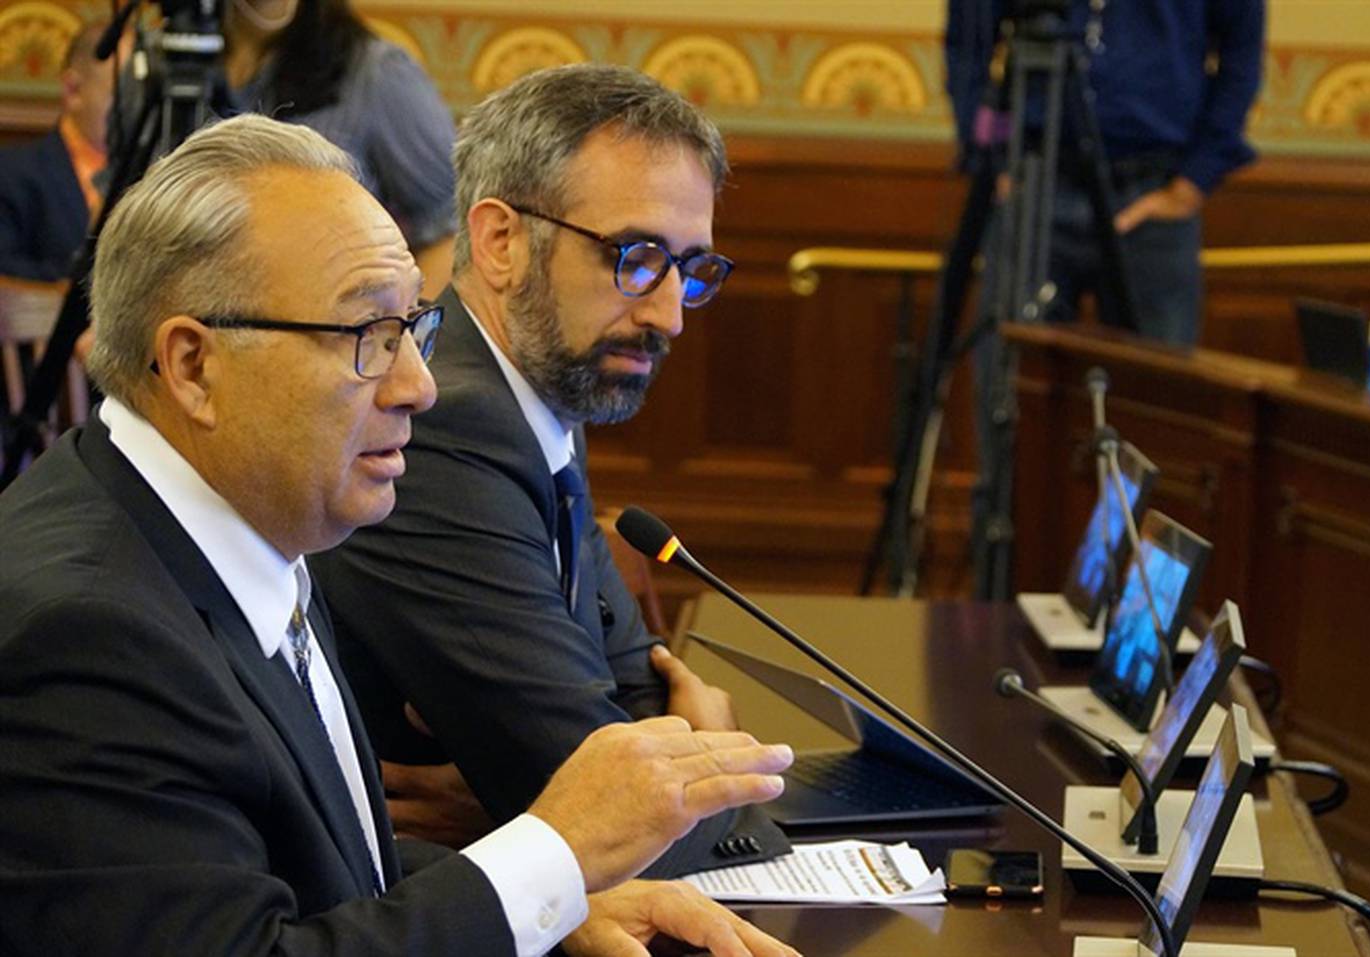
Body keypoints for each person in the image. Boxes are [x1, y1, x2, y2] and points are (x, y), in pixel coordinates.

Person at [0, 113, 799, 957]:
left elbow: (295, 876)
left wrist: (558, 903)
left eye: (413, 329)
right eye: (369, 338)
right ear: (195, 366)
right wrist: (552, 854)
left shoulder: (237, 524)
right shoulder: (90, 635)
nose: (419, 386)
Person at [310, 64, 787, 875]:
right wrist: (710, 749)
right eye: (636, 258)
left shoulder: (537, 389)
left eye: (693, 270)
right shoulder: (446, 427)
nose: (669, 314)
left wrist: (552, 796)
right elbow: (616, 810)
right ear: (502, 241)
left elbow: (631, 695)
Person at [946, 0, 1265, 346]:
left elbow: (1242, 56)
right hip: (1036, 181)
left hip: (1152, 188)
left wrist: (1193, 182)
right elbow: (969, 43)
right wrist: (991, 160)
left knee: (1155, 384)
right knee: (1012, 373)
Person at [223, 0, 456, 298]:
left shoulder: (377, 73)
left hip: (337, 326)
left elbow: (450, 230)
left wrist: (399, 332)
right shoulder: (159, 67)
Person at [0, 22, 117, 281]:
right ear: (73, 90)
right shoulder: (11, 175)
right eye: (122, 93)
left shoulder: (158, 173)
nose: (135, 109)